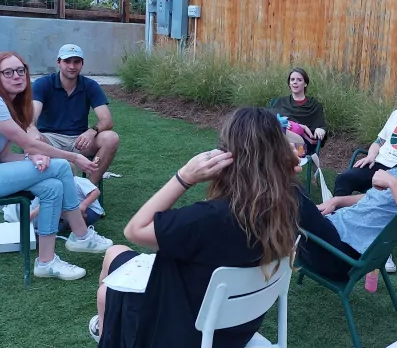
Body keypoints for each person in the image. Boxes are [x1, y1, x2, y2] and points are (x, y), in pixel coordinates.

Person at [90, 107, 302, 347]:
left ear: (225, 156)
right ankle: (103, 327)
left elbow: (135, 230)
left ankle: (105, 330)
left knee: (107, 285)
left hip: (178, 329)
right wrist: (283, 167)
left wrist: (183, 177)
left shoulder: (209, 219)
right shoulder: (288, 204)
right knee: (113, 255)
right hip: (233, 330)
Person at [0, 51, 113, 281]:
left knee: (52, 186)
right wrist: (73, 157)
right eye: (8, 72)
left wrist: (31, 158)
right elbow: (28, 142)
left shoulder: (8, 103)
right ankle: (81, 236)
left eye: (21, 70)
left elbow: (4, 156)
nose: (17, 76)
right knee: (61, 167)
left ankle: (46, 262)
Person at [298, 113, 397, 281]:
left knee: (291, 194)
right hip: (334, 230)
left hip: (337, 253)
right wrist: (337, 201)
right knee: (289, 206)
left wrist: (393, 182)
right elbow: (375, 199)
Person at [333, 75, 397, 273]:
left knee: (384, 198)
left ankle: (380, 247)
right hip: (379, 163)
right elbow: (378, 141)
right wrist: (371, 155)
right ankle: (341, 225)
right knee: (344, 178)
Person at [29, 44, 120, 186]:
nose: (72, 66)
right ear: (58, 62)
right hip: (50, 138)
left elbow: (107, 120)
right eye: (67, 61)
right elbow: (32, 117)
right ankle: (55, 190)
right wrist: (32, 128)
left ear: (82, 64)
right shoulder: (43, 83)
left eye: (76, 61)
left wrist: (91, 132)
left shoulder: (90, 85)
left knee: (111, 138)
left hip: (79, 140)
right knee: (34, 138)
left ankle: (88, 188)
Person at [269, 67, 327, 154]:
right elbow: (268, 119)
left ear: (305, 84)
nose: (295, 82)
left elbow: (321, 125)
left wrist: (321, 129)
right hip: (280, 142)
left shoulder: (314, 105)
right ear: (289, 83)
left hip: (302, 148)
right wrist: (282, 123)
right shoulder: (280, 101)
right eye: (292, 79)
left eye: (299, 80)